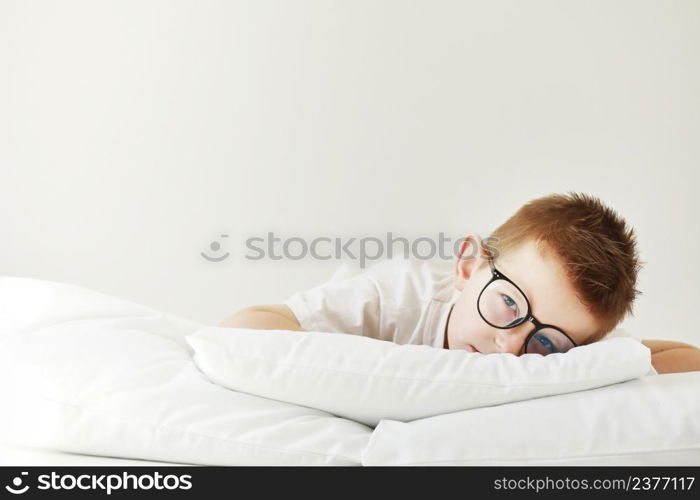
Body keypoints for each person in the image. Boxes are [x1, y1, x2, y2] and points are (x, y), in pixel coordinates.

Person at [219, 192, 700, 375]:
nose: (511, 348)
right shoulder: (395, 297)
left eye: (545, 342)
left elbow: (683, 359)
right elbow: (244, 325)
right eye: (509, 302)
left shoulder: (562, 345)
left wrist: (576, 356)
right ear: (468, 267)